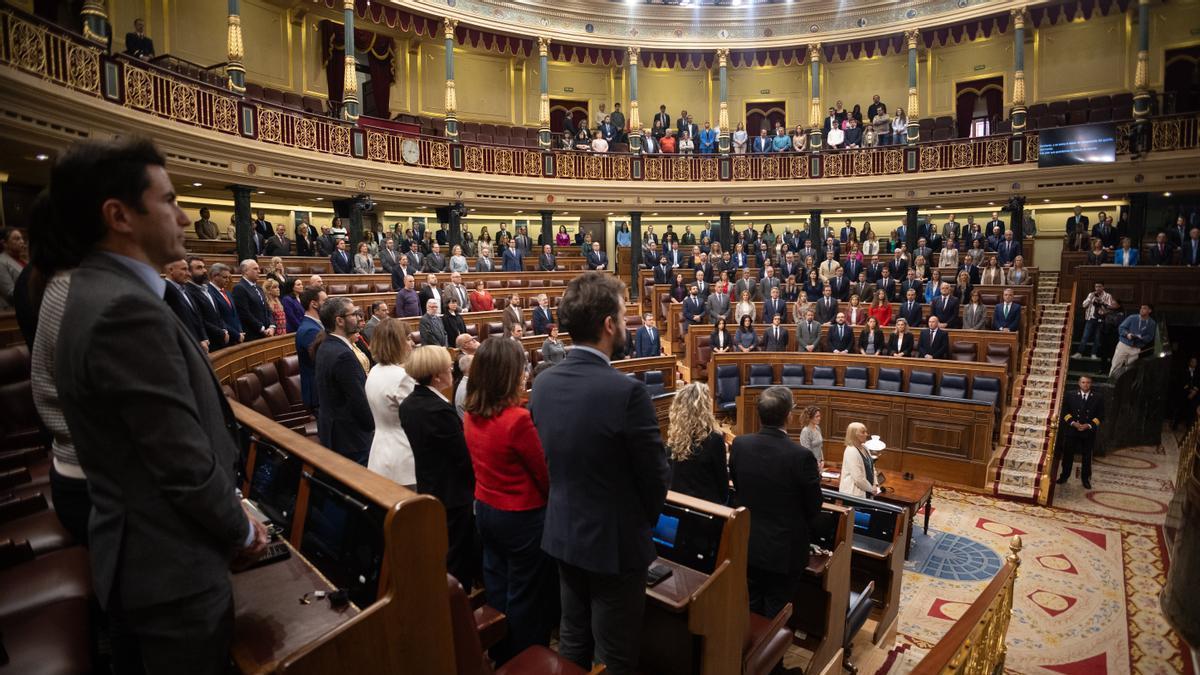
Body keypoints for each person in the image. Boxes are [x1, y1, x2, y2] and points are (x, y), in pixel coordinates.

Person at [50, 138, 268, 671]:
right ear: (119, 215)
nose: (186, 214)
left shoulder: (96, 292)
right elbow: (180, 462)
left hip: (149, 558)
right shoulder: (124, 309)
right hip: (170, 574)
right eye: (169, 200)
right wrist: (240, 527)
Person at [528, 273, 669, 673]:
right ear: (609, 325)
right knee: (616, 654)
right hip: (615, 545)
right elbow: (655, 479)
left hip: (562, 533)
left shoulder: (544, 383)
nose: (628, 326)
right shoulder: (627, 393)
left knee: (573, 639)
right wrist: (637, 522)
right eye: (625, 317)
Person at [461, 337, 557, 664]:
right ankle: (525, 662)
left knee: (498, 587)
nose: (525, 373)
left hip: (486, 512)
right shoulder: (517, 419)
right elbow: (545, 476)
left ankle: (501, 654)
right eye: (521, 367)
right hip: (522, 519)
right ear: (508, 373)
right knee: (527, 597)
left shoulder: (472, 414)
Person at [729, 386, 822, 618]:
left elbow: (738, 487)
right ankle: (770, 654)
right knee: (775, 614)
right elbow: (814, 506)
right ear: (789, 416)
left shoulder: (740, 445)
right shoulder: (801, 457)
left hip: (747, 542)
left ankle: (748, 652)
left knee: (749, 607)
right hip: (784, 551)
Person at [401, 345, 478, 591]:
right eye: (448, 368)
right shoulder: (438, 410)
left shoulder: (410, 403)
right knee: (457, 553)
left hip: (430, 482)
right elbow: (461, 456)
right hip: (453, 490)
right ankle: (458, 606)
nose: (451, 371)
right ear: (436, 376)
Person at [314, 296, 374, 464]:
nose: (359, 318)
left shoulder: (326, 346)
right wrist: (373, 427)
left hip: (335, 432)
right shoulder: (344, 355)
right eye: (354, 314)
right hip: (351, 440)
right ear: (340, 321)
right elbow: (358, 401)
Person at [363, 318, 417, 488]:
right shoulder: (402, 377)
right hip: (403, 456)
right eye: (408, 338)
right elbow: (420, 420)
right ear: (396, 344)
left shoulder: (375, 370)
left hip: (380, 451)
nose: (412, 343)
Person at [666, 383, 728, 505]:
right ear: (705, 408)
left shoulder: (673, 440)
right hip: (707, 512)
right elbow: (723, 484)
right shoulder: (715, 439)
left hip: (677, 508)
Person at [1056, 376, 1103, 490]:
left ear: (1091, 384)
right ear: (1079, 383)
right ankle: (1064, 476)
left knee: (1087, 457)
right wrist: (1073, 423)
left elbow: (1101, 415)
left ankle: (1085, 479)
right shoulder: (1070, 395)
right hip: (1072, 430)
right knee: (1068, 455)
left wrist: (1089, 425)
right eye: (1083, 382)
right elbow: (1065, 412)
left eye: (1088, 382)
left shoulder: (1098, 397)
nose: (1085, 384)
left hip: (1088, 431)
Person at [233, 258, 275, 340]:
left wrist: (272, 326)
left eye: (258, 268)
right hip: (253, 336)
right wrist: (262, 329)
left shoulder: (258, 288)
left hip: (267, 333)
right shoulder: (240, 288)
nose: (259, 271)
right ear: (245, 271)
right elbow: (244, 313)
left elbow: (267, 309)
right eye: (255, 269)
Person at [1074, 282, 1118, 360]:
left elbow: (1112, 307)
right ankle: (1079, 353)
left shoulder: (1108, 296)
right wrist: (1091, 298)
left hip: (1101, 319)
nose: (1097, 288)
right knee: (1085, 336)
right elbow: (1084, 305)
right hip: (1090, 318)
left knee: (1097, 338)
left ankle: (1093, 353)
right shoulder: (1091, 294)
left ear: (1103, 287)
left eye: (1099, 286)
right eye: (1096, 286)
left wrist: (1102, 302)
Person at [1110, 304, 1156, 376]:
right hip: (1124, 345)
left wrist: (1141, 338)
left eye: (1144, 308)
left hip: (1136, 348)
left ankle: (1125, 385)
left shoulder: (1152, 323)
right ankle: (1110, 384)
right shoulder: (1132, 318)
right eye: (1141, 308)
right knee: (1116, 365)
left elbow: (1150, 336)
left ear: (1149, 311)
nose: (1141, 310)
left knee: (1130, 370)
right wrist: (1127, 334)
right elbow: (1121, 328)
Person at [839, 422, 881, 497]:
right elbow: (858, 478)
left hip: (868, 490)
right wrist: (871, 489)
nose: (866, 434)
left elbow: (872, 467)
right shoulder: (851, 451)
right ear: (854, 435)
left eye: (866, 432)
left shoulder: (865, 447)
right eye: (863, 432)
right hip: (854, 494)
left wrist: (875, 484)